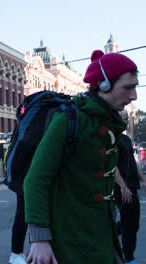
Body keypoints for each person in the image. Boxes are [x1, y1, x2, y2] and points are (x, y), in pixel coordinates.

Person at [24, 50, 139, 263]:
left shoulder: (108, 123)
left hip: (102, 234)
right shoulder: (68, 119)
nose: (134, 96)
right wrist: (39, 238)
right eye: (128, 87)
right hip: (70, 240)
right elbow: (35, 179)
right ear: (104, 86)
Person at [114, 111, 146, 264]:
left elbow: (133, 163)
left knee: (134, 223)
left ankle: (109, 231)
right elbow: (111, 165)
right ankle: (129, 258)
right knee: (128, 223)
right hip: (122, 187)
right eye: (125, 119)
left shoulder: (126, 139)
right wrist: (122, 186)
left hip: (132, 186)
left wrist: (143, 179)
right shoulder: (111, 138)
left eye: (127, 119)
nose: (127, 122)